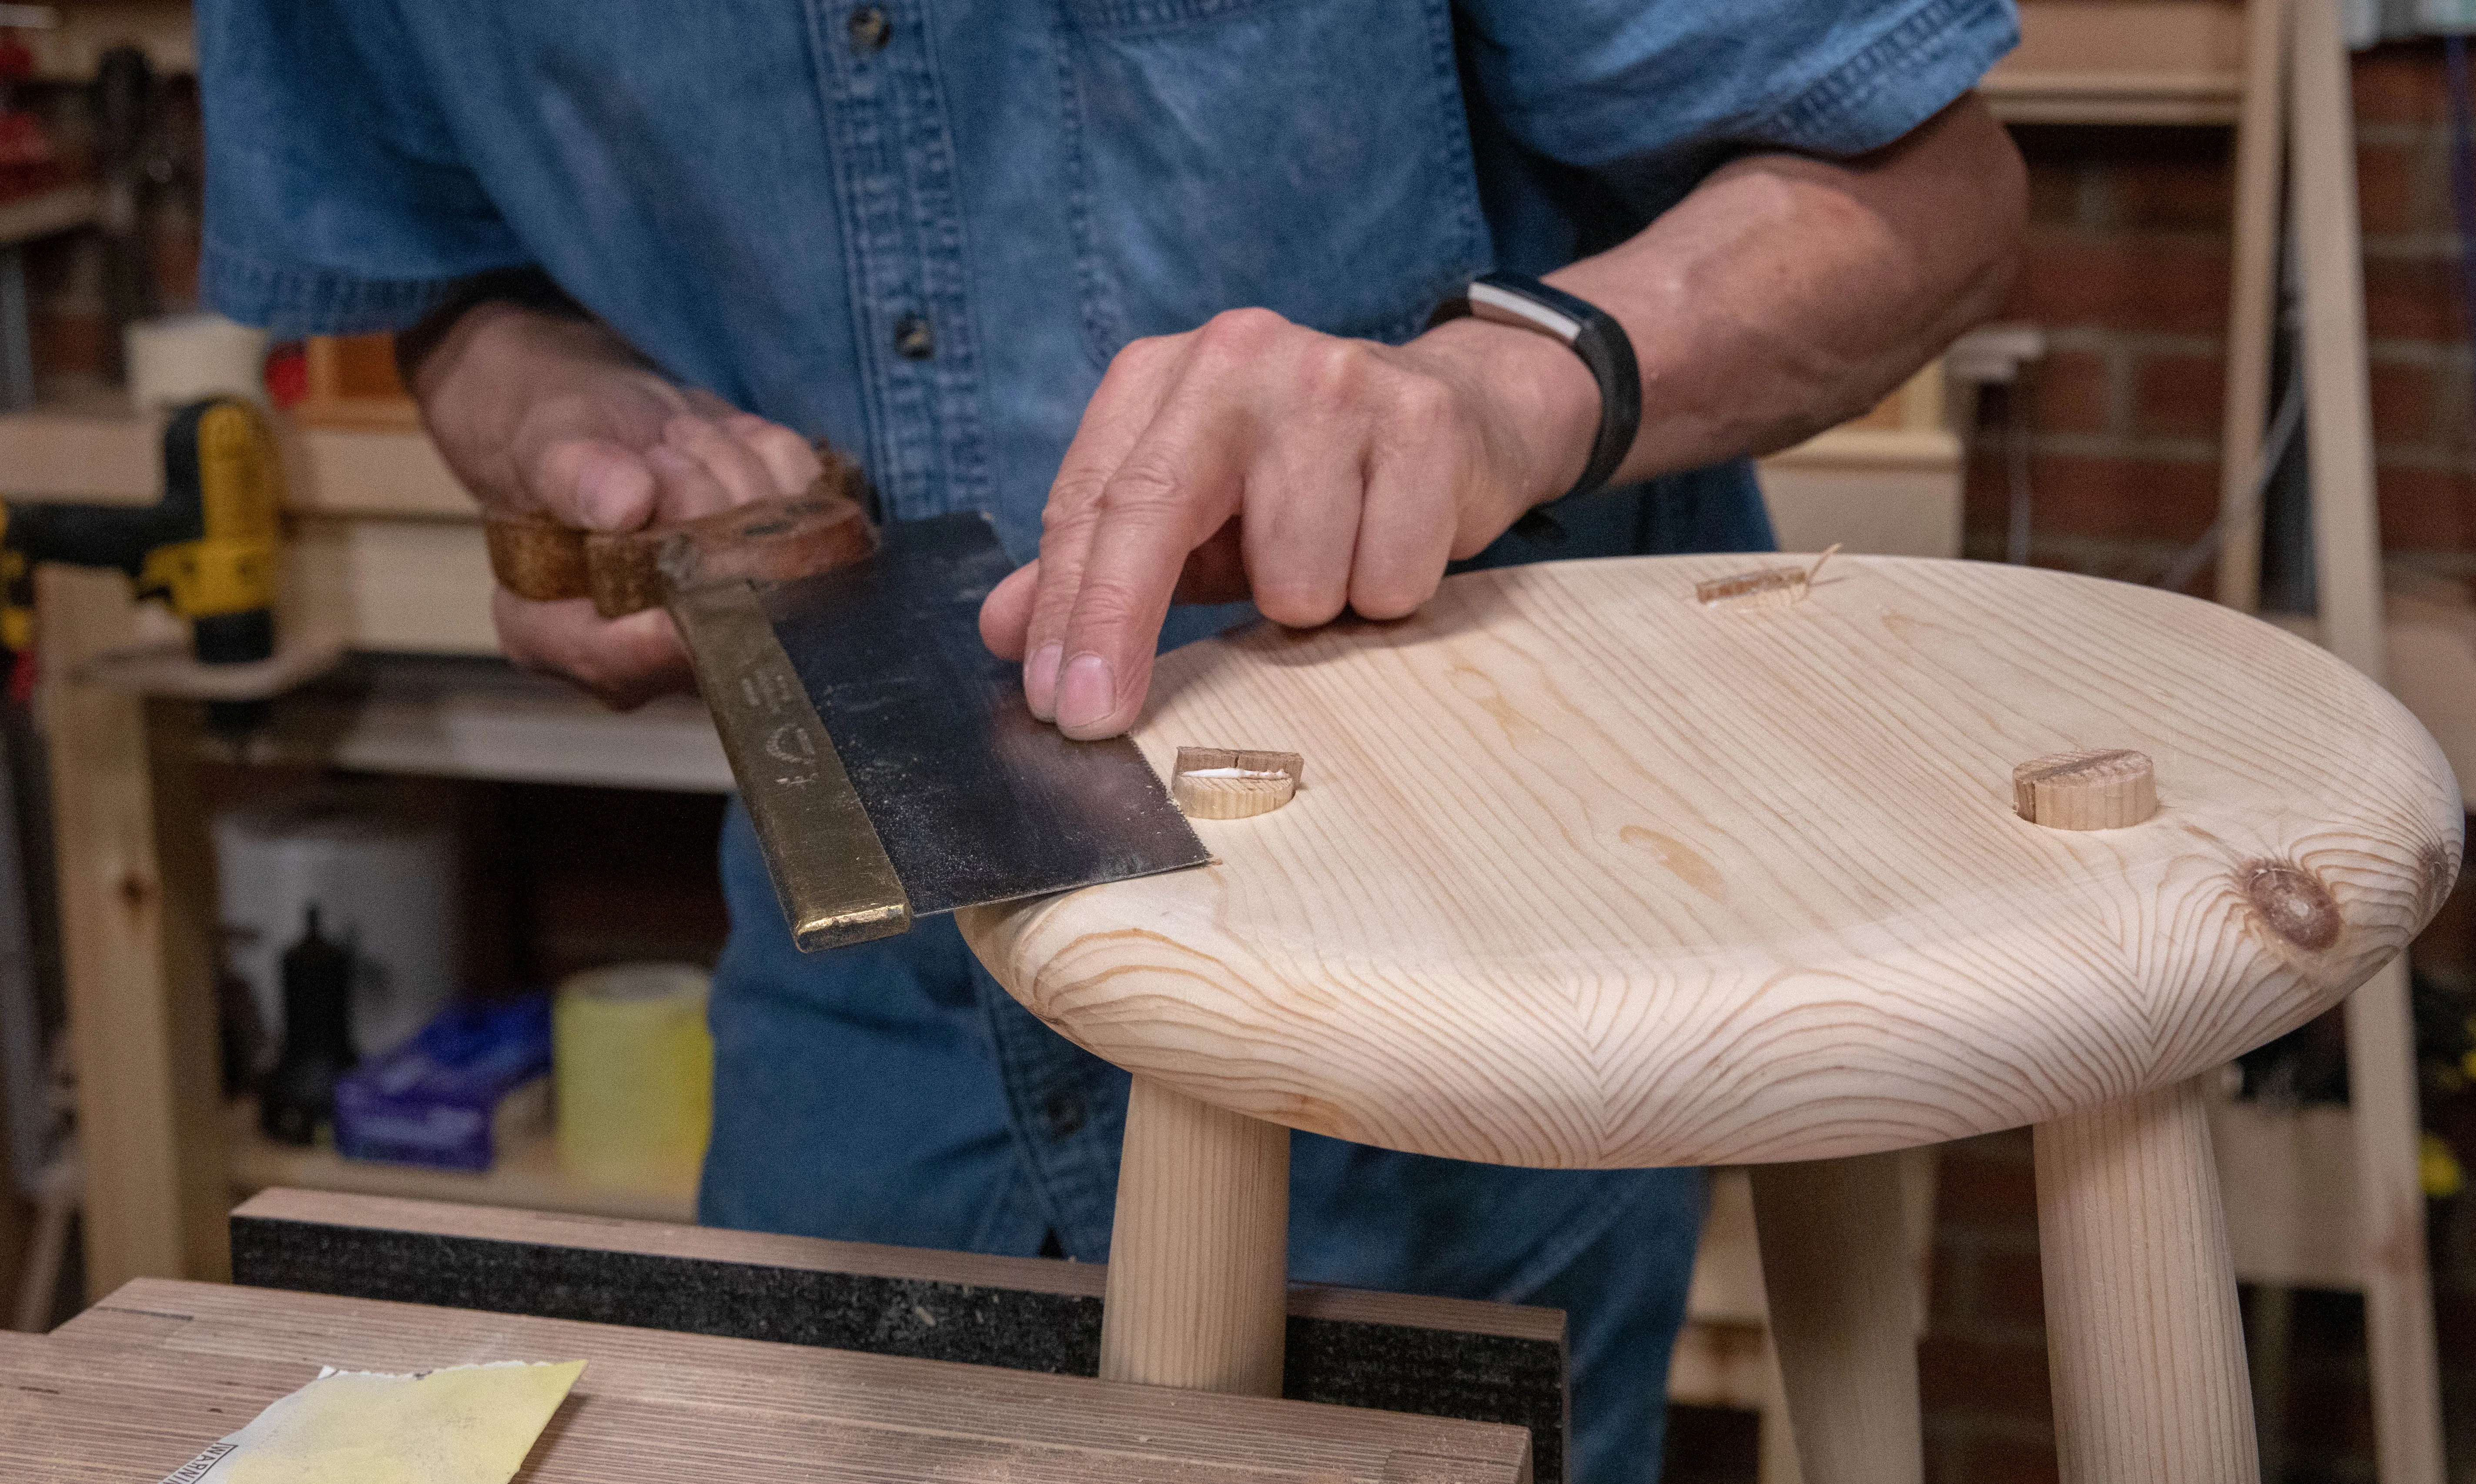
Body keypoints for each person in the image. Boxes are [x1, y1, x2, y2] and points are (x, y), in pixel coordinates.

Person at [197, 3, 2024, 1475]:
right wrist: (563, 417)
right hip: (876, 1008)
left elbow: (1936, 189)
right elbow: (432, 267)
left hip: (1430, 1029)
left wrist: (1499, 390)